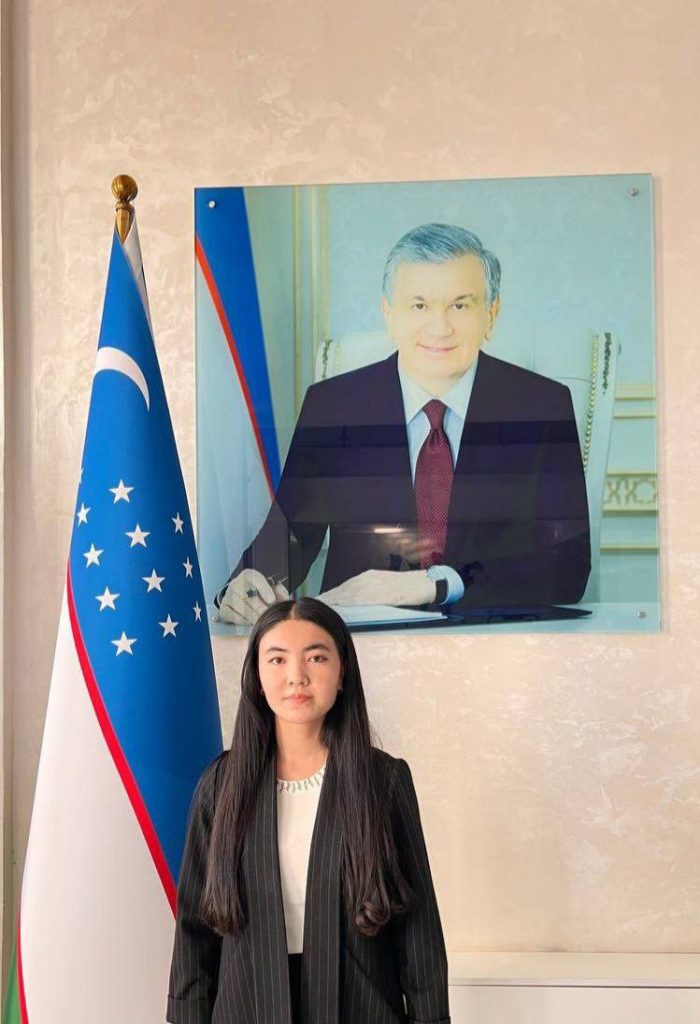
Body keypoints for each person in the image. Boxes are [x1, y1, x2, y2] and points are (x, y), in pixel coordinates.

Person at [217, 223, 590, 625]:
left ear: (491, 315)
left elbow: (568, 567)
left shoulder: (540, 406)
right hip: (360, 657)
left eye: (460, 305)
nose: (439, 327)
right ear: (388, 315)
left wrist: (437, 583)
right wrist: (243, 587)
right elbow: (289, 538)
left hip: (496, 649)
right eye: (419, 305)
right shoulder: (333, 406)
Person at [167, 597, 450, 1024]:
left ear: (341, 673)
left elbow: (418, 930)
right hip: (247, 1009)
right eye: (277, 659)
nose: (296, 676)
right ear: (258, 678)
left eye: (316, 657)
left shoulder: (384, 782)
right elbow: (194, 929)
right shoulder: (221, 785)